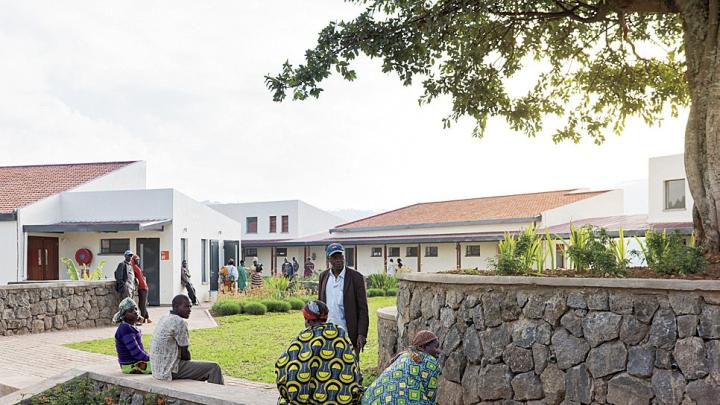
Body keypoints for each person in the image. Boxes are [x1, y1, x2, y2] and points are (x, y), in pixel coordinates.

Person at [275, 300, 362, 405]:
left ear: (308, 320)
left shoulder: (304, 338)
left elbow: (284, 367)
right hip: (343, 400)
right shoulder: (340, 333)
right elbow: (354, 366)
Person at [150, 294, 224, 384]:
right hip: (169, 370)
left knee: (199, 369)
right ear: (176, 307)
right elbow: (185, 353)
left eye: (190, 307)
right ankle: (217, 395)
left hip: (157, 370)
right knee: (214, 368)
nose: (189, 310)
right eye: (186, 307)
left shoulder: (164, 318)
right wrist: (191, 366)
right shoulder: (179, 322)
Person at [362, 330, 441, 405]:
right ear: (423, 346)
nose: (439, 351)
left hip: (370, 399)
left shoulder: (404, 355)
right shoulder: (431, 363)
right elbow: (430, 394)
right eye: (436, 347)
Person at [318, 243, 369, 355]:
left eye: (340, 256)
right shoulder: (323, 276)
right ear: (329, 259)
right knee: (328, 367)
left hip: (348, 334)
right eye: (335, 257)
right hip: (327, 333)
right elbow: (320, 305)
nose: (338, 260)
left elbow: (363, 309)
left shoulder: (356, 278)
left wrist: (362, 334)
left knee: (351, 368)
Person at [113, 297, 152, 374]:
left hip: (136, 362)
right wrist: (150, 358)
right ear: (124, 315)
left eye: (135, 309)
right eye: (131, 311)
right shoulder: (125, 328)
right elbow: (136, 353)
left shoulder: (131, 327)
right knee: (161, 367)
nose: (135, 312)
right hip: (130, 365)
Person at [131, 255, 151, 323]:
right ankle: (147, 318)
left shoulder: (135, 267)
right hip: (142, 287)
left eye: (138, 260)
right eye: (137, 260)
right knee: (142, 304)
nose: (138, 261)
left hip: (143, 287)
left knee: (142, 304)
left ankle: (142, 319)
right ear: (133, 260)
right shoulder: (134, 267)